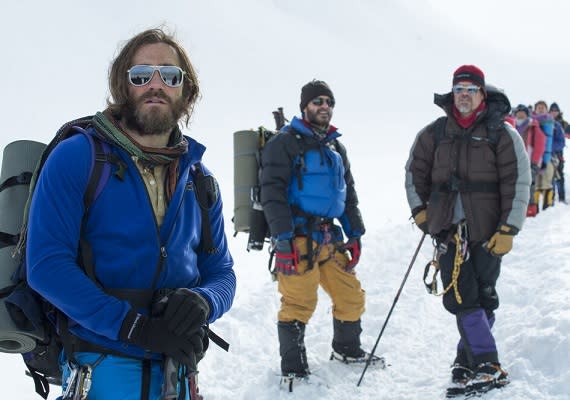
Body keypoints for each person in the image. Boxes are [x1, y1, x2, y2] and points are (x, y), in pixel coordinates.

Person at [26, 28, 236, 400]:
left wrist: (206, 302)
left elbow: (220, 272)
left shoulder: (200, 180)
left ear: (187, 91)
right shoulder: (78, 158)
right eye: (141, 75)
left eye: (170, 76)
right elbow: (46, 266)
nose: (156, 84)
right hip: (100, 373)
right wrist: (135, 328)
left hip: (179, 375)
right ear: (124, 86)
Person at [405, 65, 530, 395]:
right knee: (461, 295)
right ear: (452, 93)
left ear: (482, 94)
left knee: (483, 295)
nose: (464, 94)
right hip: (449, 231)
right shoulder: (434, 133)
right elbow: (413, 173)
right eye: (459, 88)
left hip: (490, 231)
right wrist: (421, 213)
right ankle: (487, 363)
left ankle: (467, 360)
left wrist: (509, 229)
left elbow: (518, 183)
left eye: (470, 89)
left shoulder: (502, 134)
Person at [260, 80, 376, 389]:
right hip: (298, 238)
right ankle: (294, 369)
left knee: (351, 296)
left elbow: (348, 193)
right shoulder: (284, 143)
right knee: (298, 302)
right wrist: (282, 239)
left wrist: (355, 233)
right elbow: (271, 193)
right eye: (317, 101)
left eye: (329, 101)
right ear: (304, 107)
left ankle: (347, 350)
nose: (324, 106)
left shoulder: (335, 145)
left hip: (330, 237)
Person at [513, 104, 546, 216]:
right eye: (518, 112)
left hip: (529, 162)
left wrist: (535, 163)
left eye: (523, 112)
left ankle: (531, 210)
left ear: (527, 114)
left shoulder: (533, 126)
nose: (520, 114)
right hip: (515, 162)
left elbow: (540, 145)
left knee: (529, 187)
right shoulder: (513, 126)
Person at [533, 101, 555, 210]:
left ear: (546, 110)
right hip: (535, 157)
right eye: (538, 108)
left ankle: (547, 207)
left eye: (543, 108)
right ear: (535, 110)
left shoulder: (551, 123)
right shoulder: (531, 122)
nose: (541, 109)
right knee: (536, 183)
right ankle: (535, 206)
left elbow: (558, 141)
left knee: (547, 182)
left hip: (549, 156)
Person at [549, 102, 567, 203]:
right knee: (549, 178)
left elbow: (562, 142)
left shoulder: (562, 124)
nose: (554, 112)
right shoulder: (544, 121)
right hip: (547, 154)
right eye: (552, 110)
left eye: (555, 111)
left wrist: (552, 147)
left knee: (559, 176)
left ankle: (562, 197)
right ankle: (550, 199)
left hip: (558, 155)